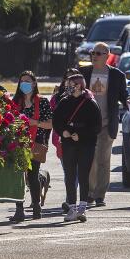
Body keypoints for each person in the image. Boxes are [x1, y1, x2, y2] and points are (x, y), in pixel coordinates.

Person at [81, 42, 128, 207]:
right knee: (90, 159)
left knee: (103, 159)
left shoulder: (117, 75)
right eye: (93, 53)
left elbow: (124, 97)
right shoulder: (83, 73)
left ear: (107, 56)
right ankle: (89, 193)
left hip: (107, 124)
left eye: (98, 53)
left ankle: (100, 195)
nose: (94, 56)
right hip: (87, 125)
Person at [52, 74, 102, 222]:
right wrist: (63, 132)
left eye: (71, 84)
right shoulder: (64, 102)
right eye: (67, 84)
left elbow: (96, 126)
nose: (68, 87)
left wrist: (81, 134)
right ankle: (72, 207)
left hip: (86, 144)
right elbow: (57, 121)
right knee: (69, 175)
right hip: (68, 144)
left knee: (83, 176)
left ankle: (82, 208)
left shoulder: (90, 103)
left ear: (80, 85)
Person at [9, 71, 53, 222]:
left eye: (27, 81)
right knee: (17, 177)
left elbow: (50, 124)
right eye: (22, 82)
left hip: (36, 142)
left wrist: (36, 123)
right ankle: (19, 209)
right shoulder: (15, 102)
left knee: (32, 175)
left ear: (34, 83)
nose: (24, 84)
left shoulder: (42, 102)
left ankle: (36, 206)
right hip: (18, 143)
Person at [51, 67, 80, 214]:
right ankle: (71, 198)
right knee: (68, 171)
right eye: (68, 79)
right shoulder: (57, 97)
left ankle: (70, 200)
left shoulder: (84, 97)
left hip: (79, 138)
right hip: (62, 139)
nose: (70, 82)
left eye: (74, 79)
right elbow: (52, 117)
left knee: (74, 171)